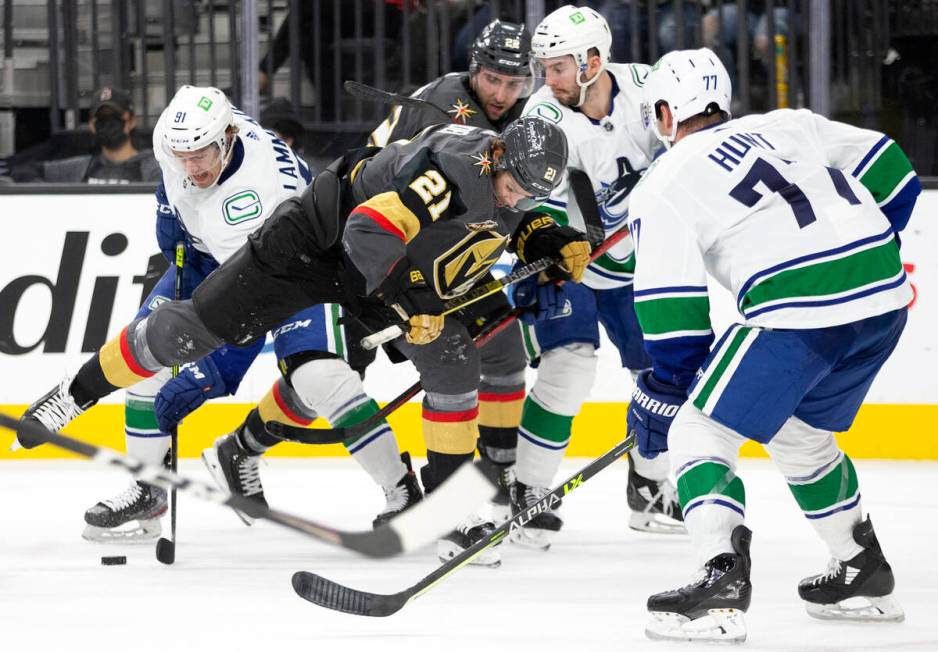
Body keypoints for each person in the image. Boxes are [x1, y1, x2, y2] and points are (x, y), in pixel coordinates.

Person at [18, 115, 589, 566]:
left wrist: (546, 233)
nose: (515, 197)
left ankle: (443, 513)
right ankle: (77, 391)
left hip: (391, 263)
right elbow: (367, 232)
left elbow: (505, 217)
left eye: (527, 194)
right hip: (315, 244)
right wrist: (405, 307)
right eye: (512, 186)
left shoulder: (505, 175)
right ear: (495, 159)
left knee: (455, 366)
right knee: (190, 331)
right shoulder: (453, 174)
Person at [629, 48, 919, 642]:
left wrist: (669, 388)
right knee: (799, 432)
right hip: (885, 296)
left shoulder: (665, 181)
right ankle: (862, 569)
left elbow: (670, 306)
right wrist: (862, 245)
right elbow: (892, 165)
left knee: (696, 430)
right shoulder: (788, 123)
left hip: (802, 310)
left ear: (665, 112)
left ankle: (720, 582)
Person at [75, 85, 417, 541]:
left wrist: (210, 370)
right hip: (219, 254)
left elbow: (250, 302)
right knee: (145, 357)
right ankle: (149, 489)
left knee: (322, 378)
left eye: (200, 154)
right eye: (183, 154)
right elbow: (180, 158)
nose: (189, 163)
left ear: (229, 138)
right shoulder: (196, 128)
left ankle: (403, 492)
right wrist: (172, 210)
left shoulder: (260, 187)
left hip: (298, 263)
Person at [508, 4, 683, 551]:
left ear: (592, 60)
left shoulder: (647, 87)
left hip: (640, 259)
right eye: (543, 67)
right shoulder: (539, 120)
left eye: (557, 66)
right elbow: (530, 203)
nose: (547, 79)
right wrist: (558, 240)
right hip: (571, 261)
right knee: (569, 365)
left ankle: (649, 486)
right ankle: (529, 490)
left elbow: (689, 148)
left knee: (663, 375)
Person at [367, 19, 533, 519]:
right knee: (329, 379)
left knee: (504, 350)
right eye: (492, 80)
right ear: (473, 69)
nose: (502, 94)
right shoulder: (439, 103)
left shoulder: (527, 115)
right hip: (386, 256)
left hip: (453, 256)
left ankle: (499, 479)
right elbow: (376, 182)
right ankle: (244, 445)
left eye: (514, 83)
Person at [37, 87, 161, 184]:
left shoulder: (151, 169)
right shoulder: (81, 167)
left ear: (131, 121)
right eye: (102, 119)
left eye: (115, 117)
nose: (108, 123)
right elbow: (29, 171)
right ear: (92, 125)